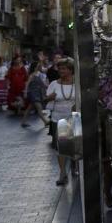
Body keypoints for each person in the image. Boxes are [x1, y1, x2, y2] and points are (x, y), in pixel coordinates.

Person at [45, 58, 77, 186]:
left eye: (64, 68)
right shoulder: (54, 84)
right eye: (60, 68)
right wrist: (49, 97)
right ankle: (62, 173)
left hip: (74, 118)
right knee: (61, 146)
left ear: (70, 70)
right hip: (58, 119)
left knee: (75, 145)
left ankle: (75, 167)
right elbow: (46, 98)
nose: (61, 71)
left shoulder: (77, 83)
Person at [20, 62, 49, 129]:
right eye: (38, 66)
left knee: (29, 108)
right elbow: (27, 84)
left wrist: (48, 87)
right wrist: (25, 92)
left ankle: (23, 122)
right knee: (39, 107)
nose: (39, 67)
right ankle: (45, 121)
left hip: (38, 93)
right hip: (33, 93)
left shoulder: (38, 75)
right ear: (35, 67)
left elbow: (43, 84)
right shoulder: (32, 75)